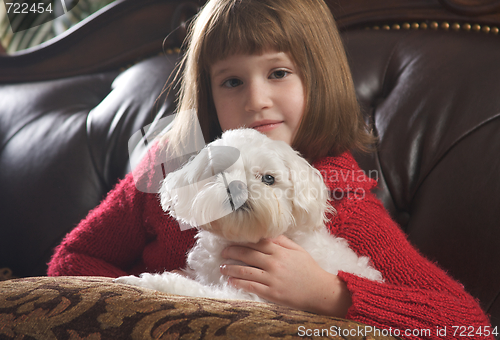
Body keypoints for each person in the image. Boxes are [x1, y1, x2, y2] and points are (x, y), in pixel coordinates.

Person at [48, 0, 493, 336]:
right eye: (232, 81)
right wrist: (160, 300)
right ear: (208, 93)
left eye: (278, 73)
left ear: (316, 79)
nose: (256, 99)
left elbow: (468, 324)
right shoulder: (168, 166)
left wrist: (329, 295)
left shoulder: (339, 197)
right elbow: (72, 261)